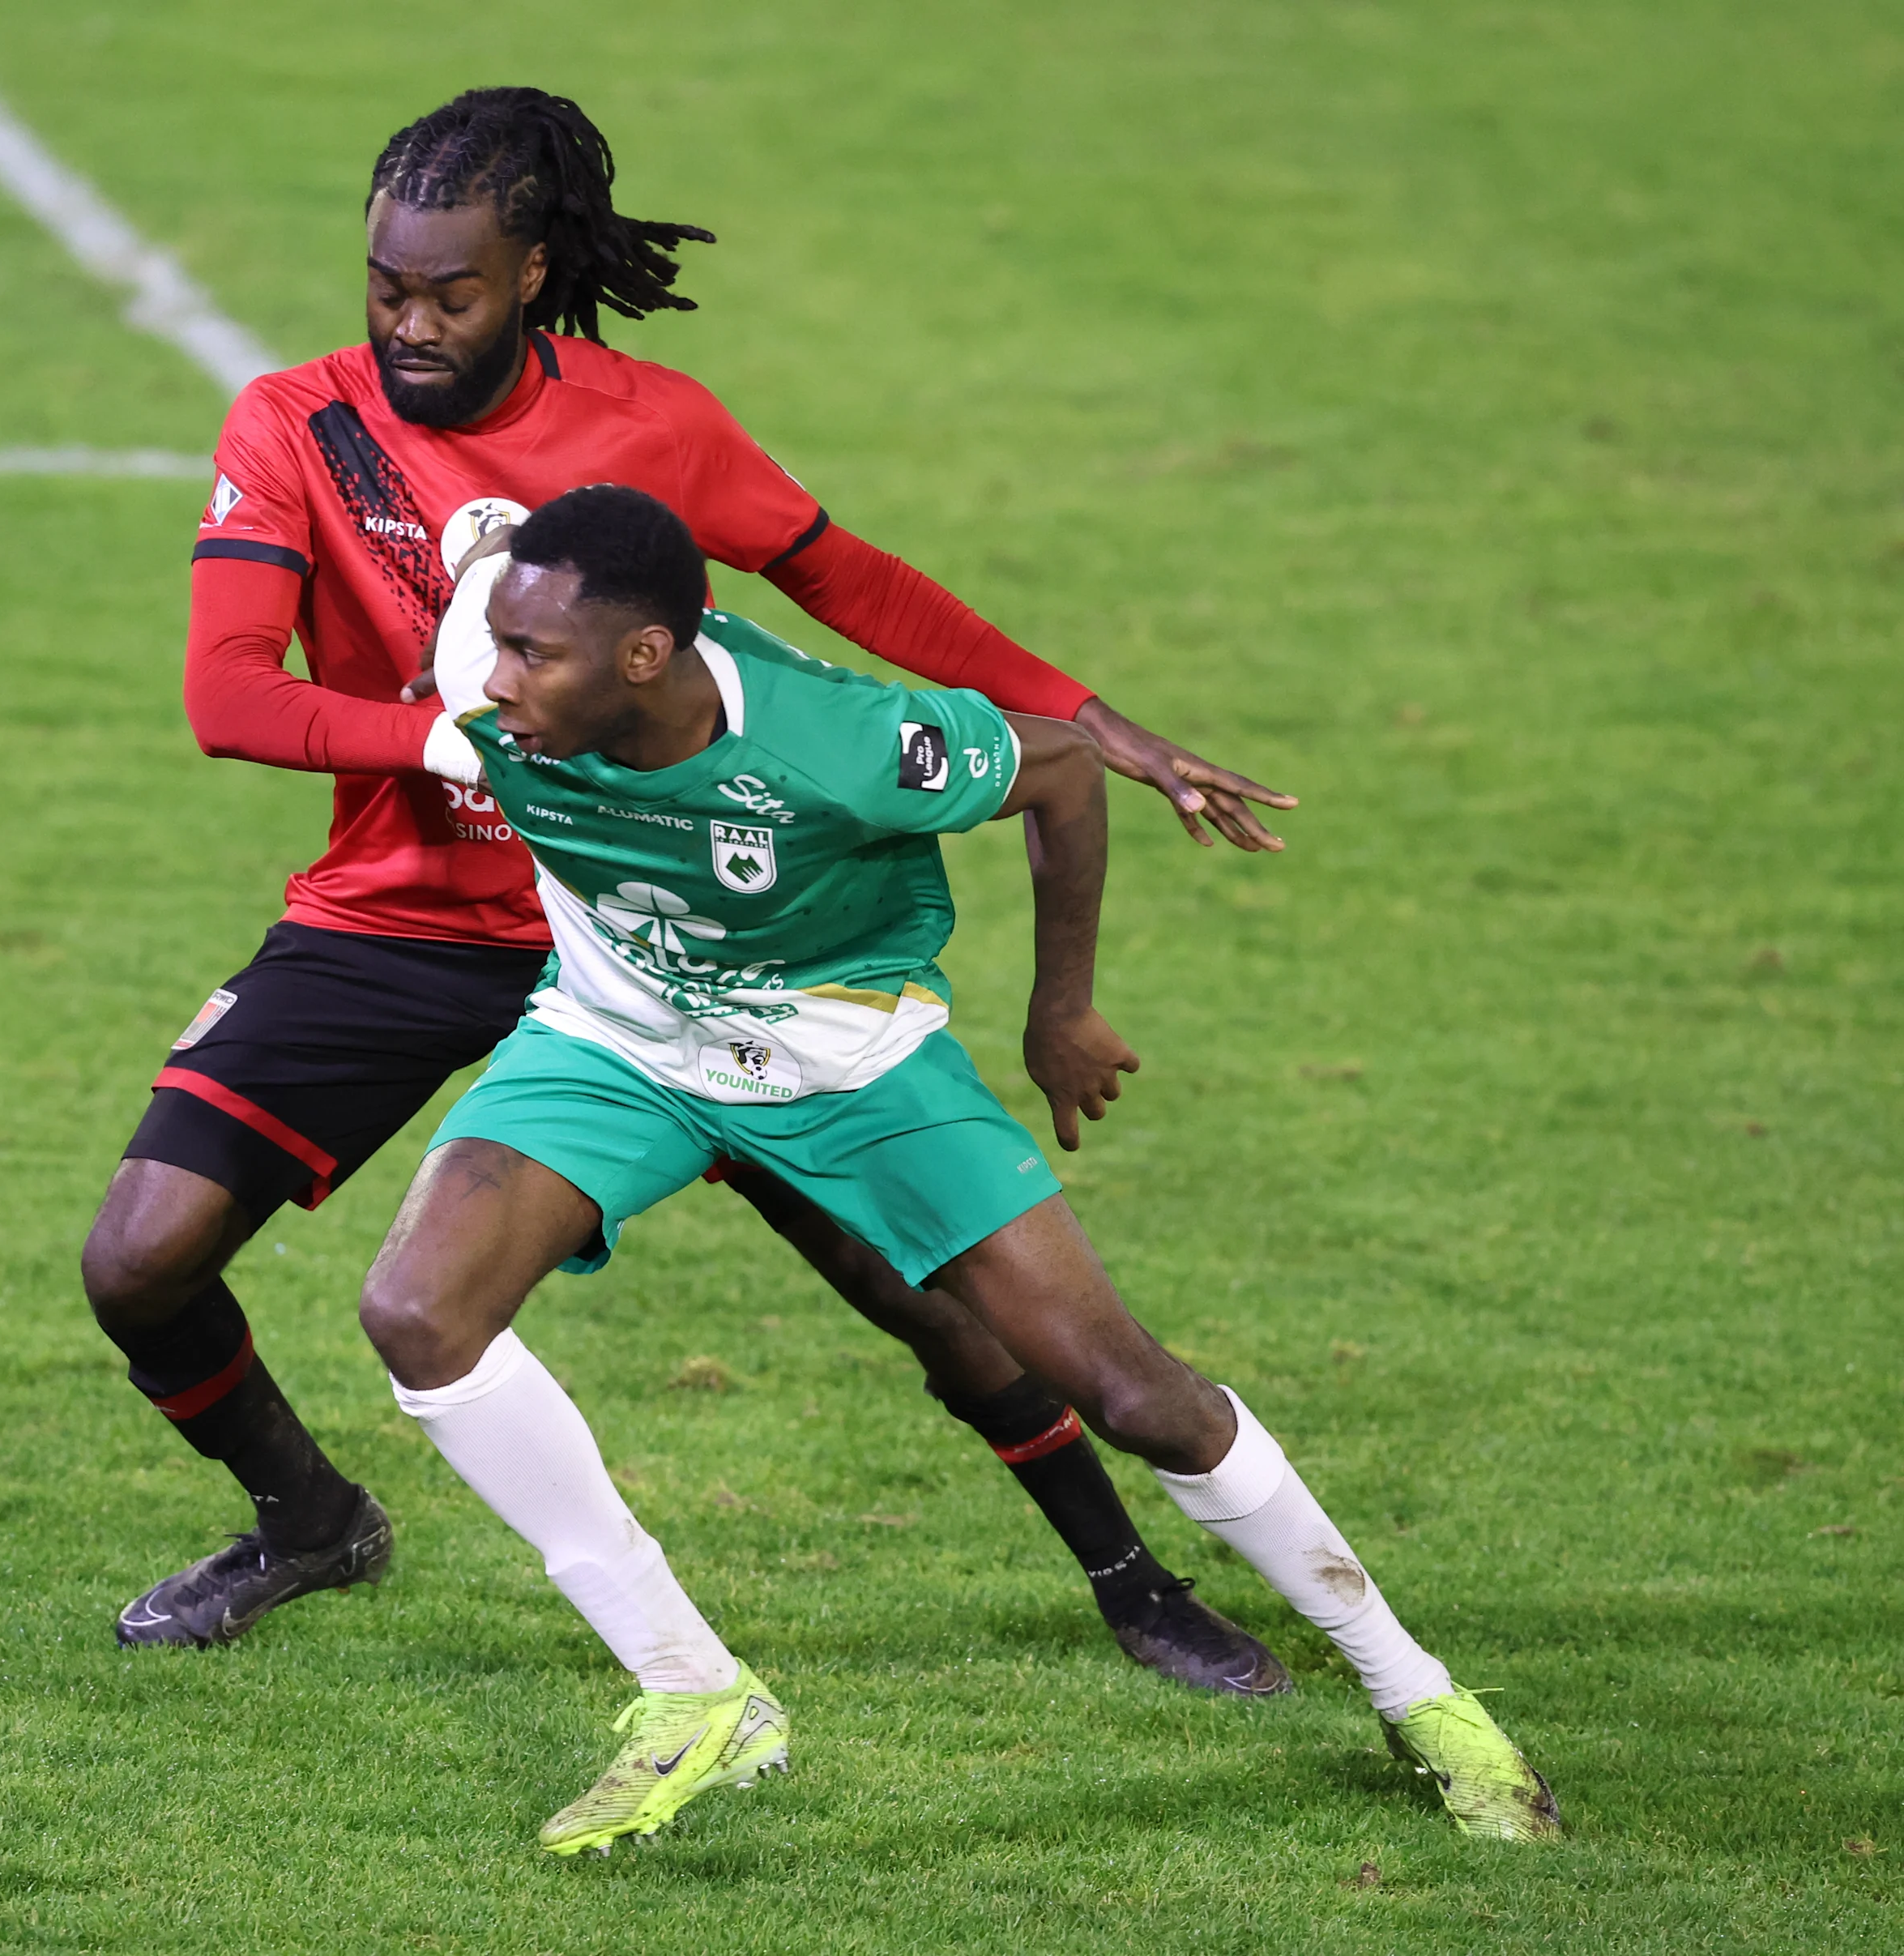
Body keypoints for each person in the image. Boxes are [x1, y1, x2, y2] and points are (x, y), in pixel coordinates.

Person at [87, 86, 1296, 1693]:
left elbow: (843, 577)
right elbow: (229, 696)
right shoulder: (295, 425)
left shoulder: (653, 429)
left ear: (531, 273)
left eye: (450, 292)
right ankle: (308, 1518)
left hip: (674, 934)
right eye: (385, 284)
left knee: (915, 1284)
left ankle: (1134, 1577)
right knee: (140, 1256)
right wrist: (456, 750)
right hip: (400, 913)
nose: (408, 322)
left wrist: (1079, 715)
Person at [360, 483, 1563, 1853]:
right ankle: (693, 1693)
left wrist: (1061, 1011)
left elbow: (1056, 768)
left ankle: (1422, 1698)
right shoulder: (487, 652)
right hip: (622, 1034)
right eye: (496, 645)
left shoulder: (843, 744)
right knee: (419, 1312)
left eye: (533, 657)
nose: (493, 681)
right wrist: (475, 608)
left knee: (1132, 1390)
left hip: (847, 1052)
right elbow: (475, 549)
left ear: (645, 657)